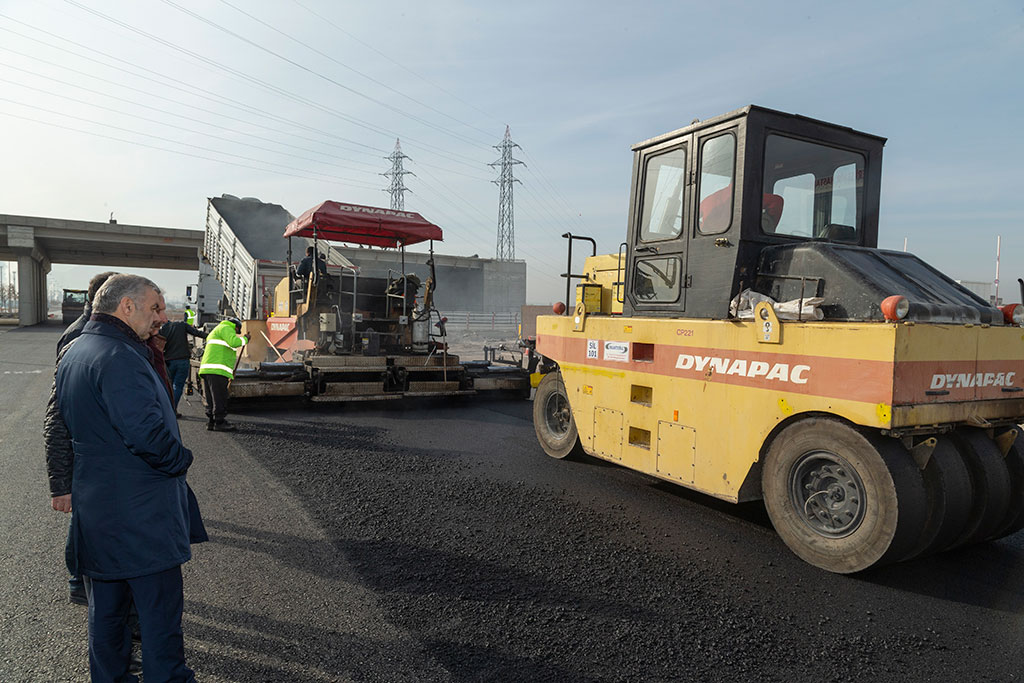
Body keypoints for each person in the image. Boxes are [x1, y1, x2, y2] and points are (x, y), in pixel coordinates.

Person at [55, 274, 203, 682]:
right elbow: (147, 436)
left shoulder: (78, 350)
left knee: (107, 617)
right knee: (158, 621)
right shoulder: (119, 356)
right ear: (127, 307)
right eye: (155, 307)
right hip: (141, 517)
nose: (163, 316)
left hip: (99, 512)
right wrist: (182, 458)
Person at [47, 270, 117, 606]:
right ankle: (79, 581)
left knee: (87, 521)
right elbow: (58, 413)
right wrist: (60, 483)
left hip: (92, 450)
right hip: (83, 452)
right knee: (84, 522)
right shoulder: (79, 338)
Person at [198, 317, 248, 431]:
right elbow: (234, 342)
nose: (236, 333)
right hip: (217, 371)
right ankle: (220, 422)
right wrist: (245, 339)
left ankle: (211, 422)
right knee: (219, 397)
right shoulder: (226, 328)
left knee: (211, 397)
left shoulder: (217, 330)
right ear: (236, 327)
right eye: (237, 331)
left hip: (208, 369)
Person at [160, 316, 207, 414]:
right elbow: (197, 333)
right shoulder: (182, 325)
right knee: (177, 386)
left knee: (168, 386)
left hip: (168, 361)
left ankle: (166, 410)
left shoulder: (163, 329)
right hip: (182, 360)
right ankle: (173, 410)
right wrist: (212, 335)